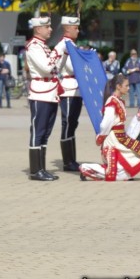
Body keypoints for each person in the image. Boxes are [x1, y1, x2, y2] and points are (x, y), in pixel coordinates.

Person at [79, 74, 140, 181]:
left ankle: (95, 172)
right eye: (126, 86)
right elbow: (105, 124)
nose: (128, 88)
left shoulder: (119, 101)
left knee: (137, 159)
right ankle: (85, 168)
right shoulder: (112, 101)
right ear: (118, 86)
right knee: (113, 173)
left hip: (121, 139)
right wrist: (101, 136)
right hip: (112, 141)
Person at [26, 16, 62, 181]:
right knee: (37, 131)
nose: (50, 29)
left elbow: (55, 68)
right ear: (38, 29)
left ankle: (42, 168)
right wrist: (58, 50)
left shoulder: (43, 46)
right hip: (40, 92)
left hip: (50, 92)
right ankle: (35, 170)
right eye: (47, 26)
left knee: (45, 132)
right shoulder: (34, 46)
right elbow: (47, 68)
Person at [57, 16, 83, 172]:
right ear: (67, 28)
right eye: (75, 28)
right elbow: (71, 67)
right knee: (67, 124)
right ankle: (68, 161)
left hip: (76, 89)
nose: (78, 30)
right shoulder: (64, 45)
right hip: (67, 88)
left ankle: (72, 159)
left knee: (73, 124)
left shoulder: (71, 44)